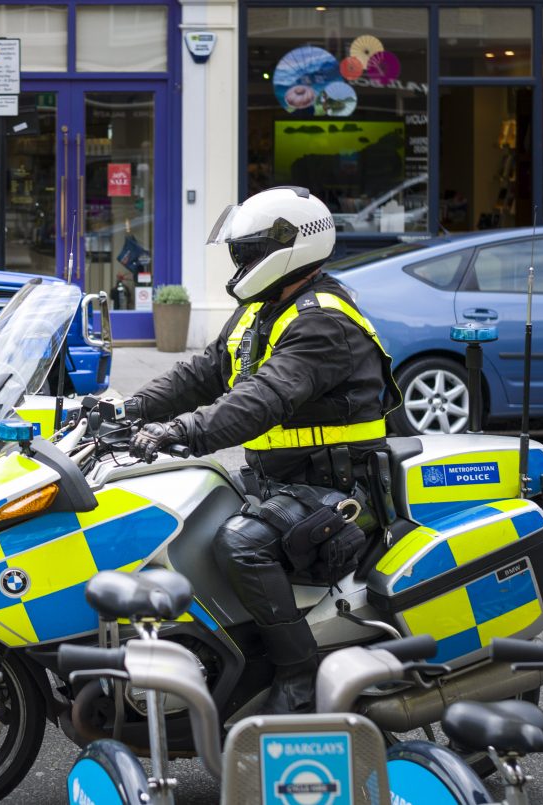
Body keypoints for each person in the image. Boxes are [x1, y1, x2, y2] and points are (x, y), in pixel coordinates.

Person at [126, 186, 399, 715]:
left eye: (249, 252)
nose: (241, 262)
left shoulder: (324, 321)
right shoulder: (261, 311)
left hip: (338, 488)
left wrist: (180, 430)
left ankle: (298, 673)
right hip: (283, 478)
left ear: (292, 247)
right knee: (175, 513)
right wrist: (131, 409)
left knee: (241, 545)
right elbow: (201, 374)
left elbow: (263, 397)